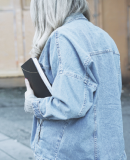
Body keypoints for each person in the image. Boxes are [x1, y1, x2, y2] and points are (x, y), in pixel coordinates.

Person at [24, 0, 127, 160]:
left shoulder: (63, 37)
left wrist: (32, 103)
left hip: (70, 152)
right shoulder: (104, 37)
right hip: (110, 151)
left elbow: (68, 104)